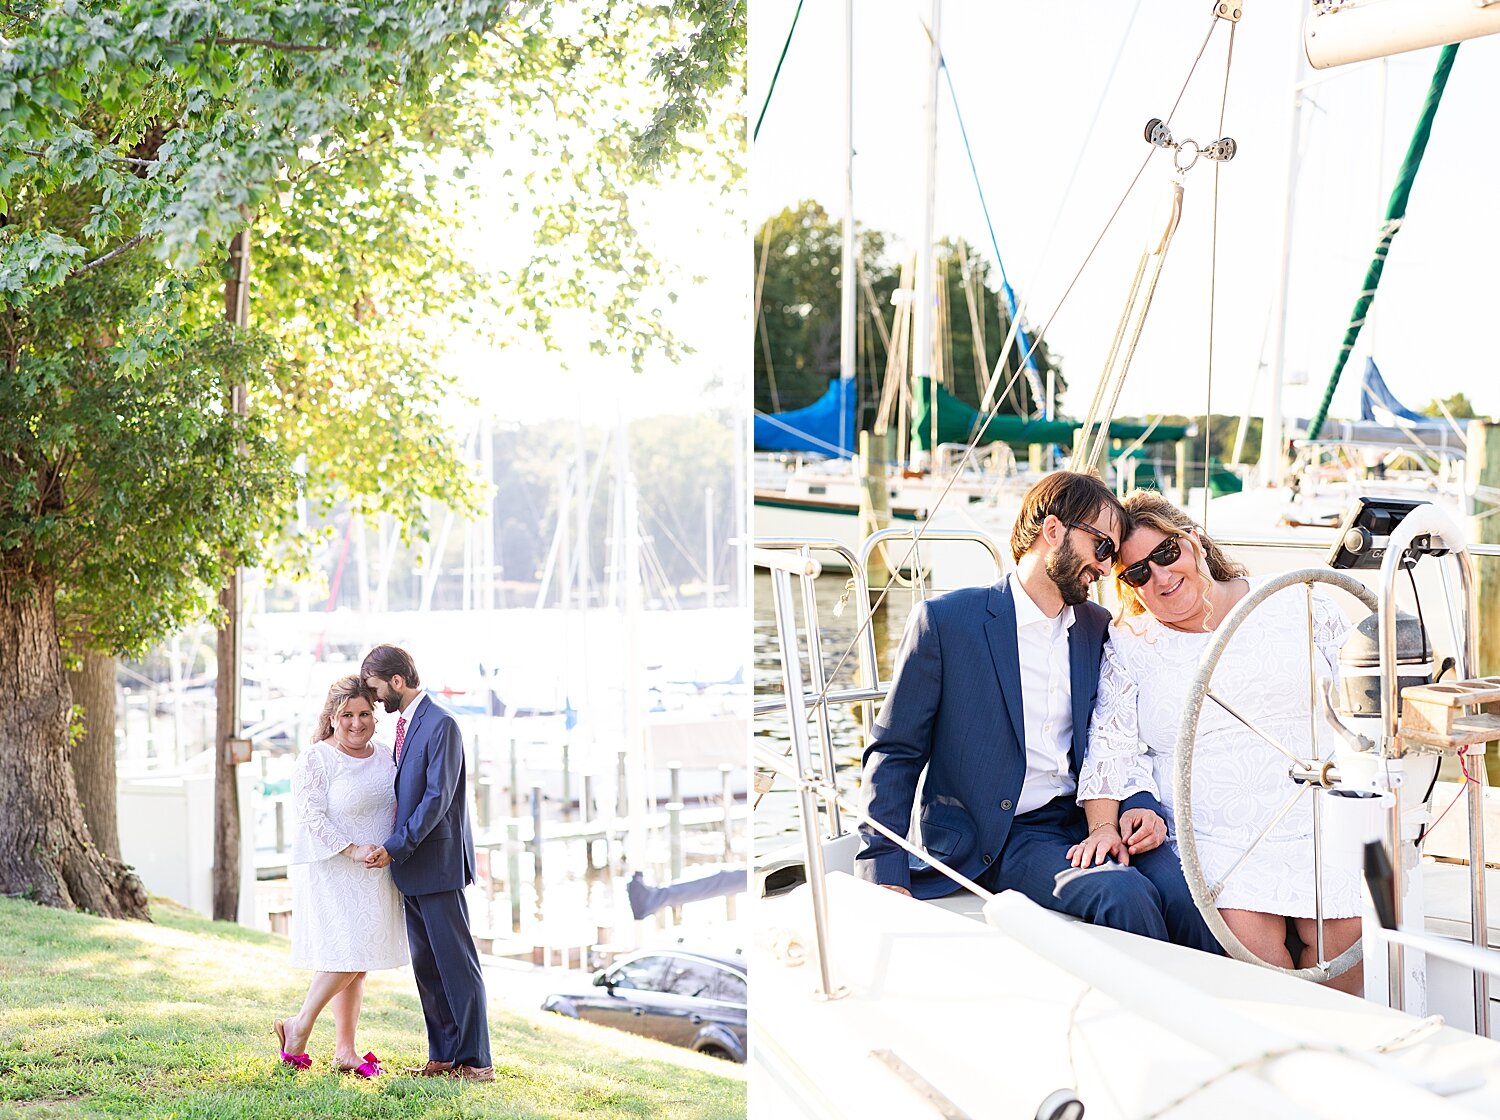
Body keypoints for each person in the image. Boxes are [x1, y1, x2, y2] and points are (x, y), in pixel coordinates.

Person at [855, 471, 1218, 953]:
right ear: (1053, 531)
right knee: (1121, 894)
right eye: (1101, 548)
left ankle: (1228, 1019)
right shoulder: (947, 624)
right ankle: (1155, 1019)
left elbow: (1118, 738)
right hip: (1000, 837)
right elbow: (894, 753)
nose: (1107, 568)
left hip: (1086, 816)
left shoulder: (1098, 628)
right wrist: (884, 870)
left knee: (1185, 892)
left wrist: (1138, 806)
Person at [1073, 489, 1362, 992]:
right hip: (1218, 837)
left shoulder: (1294, 598)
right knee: (1260, 972)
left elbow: (1364, 699)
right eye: (1137, 573)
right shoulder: (1130, 644)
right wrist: (1105, 825)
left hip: (1319, 813)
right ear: (1126, 587)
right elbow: (1113, 747)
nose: (1160, 576)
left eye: (1167, 553)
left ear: (1196, 542)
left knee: (1349, 948)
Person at [360, 644, 494, 1081]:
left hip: (436, 864)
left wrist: (397, 845)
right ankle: (443, 1055)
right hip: (412, 869)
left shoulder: (442, 724)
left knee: (457, 964)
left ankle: (476, 1061)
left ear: (397, 680)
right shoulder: (407, 725)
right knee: (428, 967)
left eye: (377, 688)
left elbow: (437, 798)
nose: (375, 698)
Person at [276, 676, 408, 1076]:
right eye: (347, 715)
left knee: (359, 960)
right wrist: (351, 849)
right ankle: (298, 1026)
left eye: (364, 713)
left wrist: (388, 849)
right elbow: (310, 816)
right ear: (332, 717)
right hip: (334, 869)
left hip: (377, 870)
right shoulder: (316, 758)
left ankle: (345, 1051)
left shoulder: (386, 756)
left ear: (375, 715)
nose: (356, 722)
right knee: (345, 953)